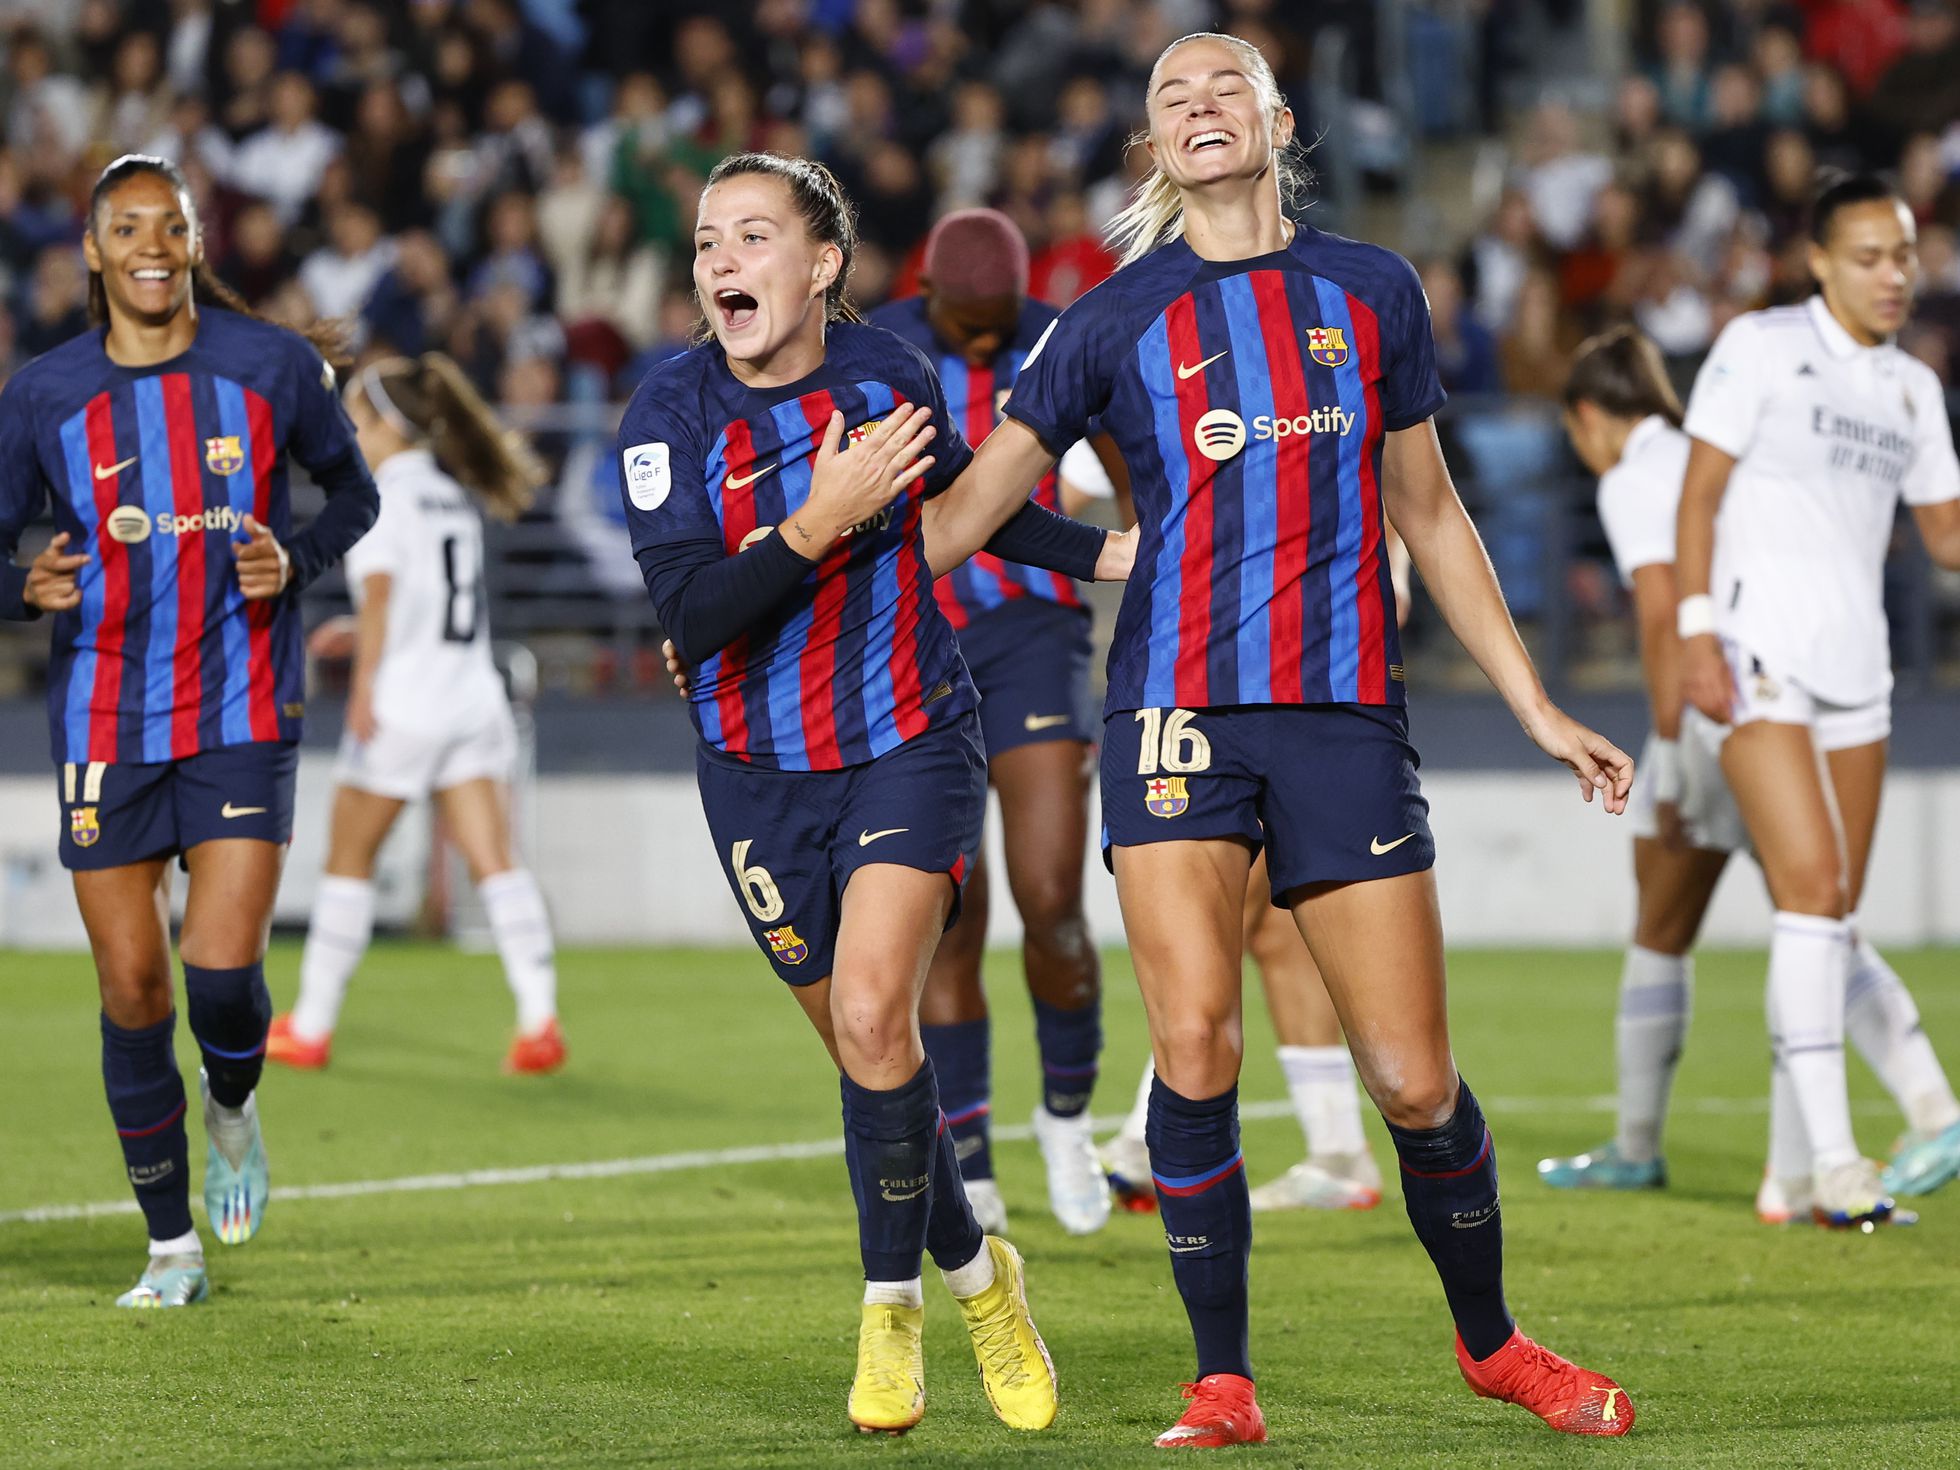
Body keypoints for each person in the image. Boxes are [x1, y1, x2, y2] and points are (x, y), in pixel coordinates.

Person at [928, 31, 1641, 1446]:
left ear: (1276, 119)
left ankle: (1494, 1344)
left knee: (1414, 1078)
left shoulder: (1372, 291)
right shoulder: (1108, 321)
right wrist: (1078, 550)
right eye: (1169, 100)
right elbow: (957, 515)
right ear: (1152, 149)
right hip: (1170, 719)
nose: (1196, 110)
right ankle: (1223, 1380)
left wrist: (1538, 706)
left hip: (1341, 720)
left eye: (1220, 89)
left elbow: (1428, 515)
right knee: (1194, 1042)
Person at [617, 151, 1131, 1437]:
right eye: (704, 244)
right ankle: (984, 1272)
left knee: (868, 1007)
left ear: (823, 263)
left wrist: (1109, 553)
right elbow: (691, 613)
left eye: (750, 237)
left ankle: (892, 1311)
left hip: (908, 737)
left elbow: (970, 507)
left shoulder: (884, 376)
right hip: (753, 781)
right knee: (875, 1055)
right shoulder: (665, 415)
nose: (722, 263)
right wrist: (818, 517)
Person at [0, 154, 377, 1308]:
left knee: (216, 976)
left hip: (241, 708)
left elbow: (352, 493)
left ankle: (230, 1100)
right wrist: (27, 585)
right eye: (128, 229)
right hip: (106, 716)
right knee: (130, 989)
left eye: (171, 226)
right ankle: (171, 1249)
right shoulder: (43, 393)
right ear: (95, 255)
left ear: (194, 245)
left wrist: (295, 559)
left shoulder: (266, 367)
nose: (152, 246)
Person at [1540, 325, 1960, 1218]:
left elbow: (1661, 614)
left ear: (1589, 417)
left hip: (1717, 707)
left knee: (1774, 917)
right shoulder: (1703, 447)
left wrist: (1673, 752)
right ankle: (1786, 1173)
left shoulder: (1630, 477)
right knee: (1804, 911)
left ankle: (1917, 1108)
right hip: (1775, 682)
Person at [1676, 172, 1960, 1228]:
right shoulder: (1758, 347)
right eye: (1872, 257)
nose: (1895, 276)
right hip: (1756, 648)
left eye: (1906, 256)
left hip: (1857, 670)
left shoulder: (1913, 389)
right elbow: (1695, 495)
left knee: (1829, 916)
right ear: (1820, 263)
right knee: (1808, 888)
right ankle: (1843, 1167)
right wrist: (1696, 627)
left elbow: (1944, 536)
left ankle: (1788, 1175)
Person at [869, 208, 1111, 1238]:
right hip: (914, 646)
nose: (983, 343)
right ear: (928, 295)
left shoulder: (1058, 336)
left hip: (1031, 638)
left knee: (1053, 898)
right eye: (967, 327)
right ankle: (969, 1161)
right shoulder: (873, 350)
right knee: (947, 922)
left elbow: (1123, 454)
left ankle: (1066, 1122)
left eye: (996, 324)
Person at [265, 352, 565, 1076]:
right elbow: (423, 600)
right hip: (470, 696)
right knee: (495, 861)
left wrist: (365, 681)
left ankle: (309, 1025)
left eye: (355, 416)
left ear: (378, 423)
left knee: (348, 857)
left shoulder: (377, 494)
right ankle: (539, 1018)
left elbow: (385, 594)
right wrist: (367, 635)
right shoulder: (449, 493)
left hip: (407, 699)